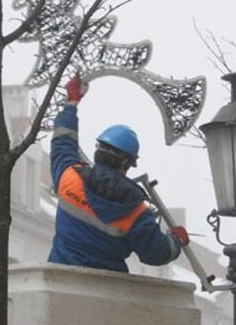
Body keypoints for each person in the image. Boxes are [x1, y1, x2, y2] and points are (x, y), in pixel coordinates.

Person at [47, 73, 190, 272]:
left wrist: (71, 102)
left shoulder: (69, 179)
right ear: (127, 162)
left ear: (98, 151)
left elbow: (63, 141)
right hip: (106, 291)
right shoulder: (135, 211)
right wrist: (176, 241)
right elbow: (156, 253)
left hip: (59, 279)